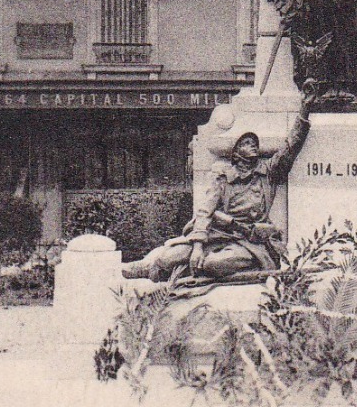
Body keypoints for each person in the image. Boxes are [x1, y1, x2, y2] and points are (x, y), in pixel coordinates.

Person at [121, 96, 311, 284]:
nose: (253, 144)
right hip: (218, 235)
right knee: (168, 258)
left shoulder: (267, 174)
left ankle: (180, 272)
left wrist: (304, 110)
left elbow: (290, 148)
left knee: (213, 264)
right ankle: (152, 269)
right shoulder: (222, 179)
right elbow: (204, 212)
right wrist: (197, 246)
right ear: (235, 153)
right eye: (246, 142)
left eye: (254, 142)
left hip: (251, 242)